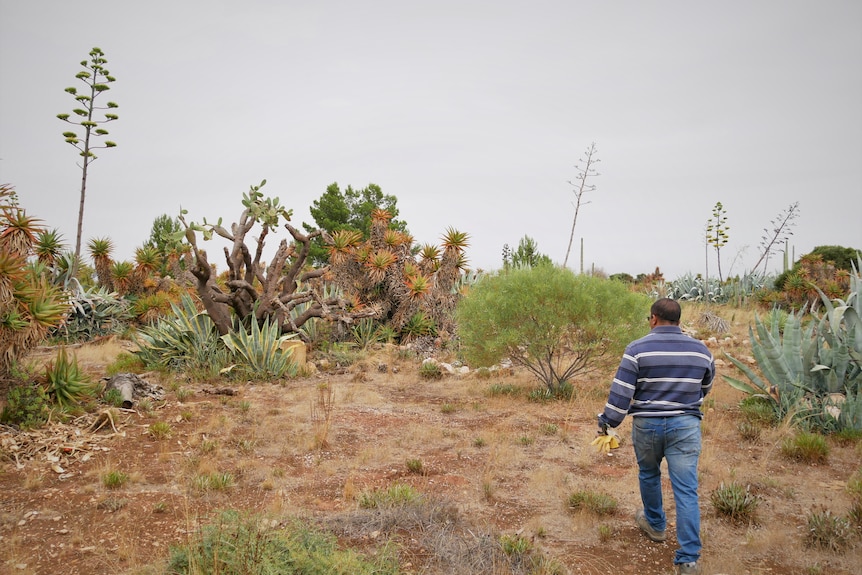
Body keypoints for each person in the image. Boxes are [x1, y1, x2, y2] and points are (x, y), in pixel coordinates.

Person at [597, 298, 715, 575]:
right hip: (685, 425)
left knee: (649, 474)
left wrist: (607, 422)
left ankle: (656, 525)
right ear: (679, 320)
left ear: (653, 319)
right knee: (686, 490)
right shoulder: (701, 350)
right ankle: (688, 560)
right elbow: (706, 386)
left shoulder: (637, 349)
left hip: (647, 425)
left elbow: (622, 392)